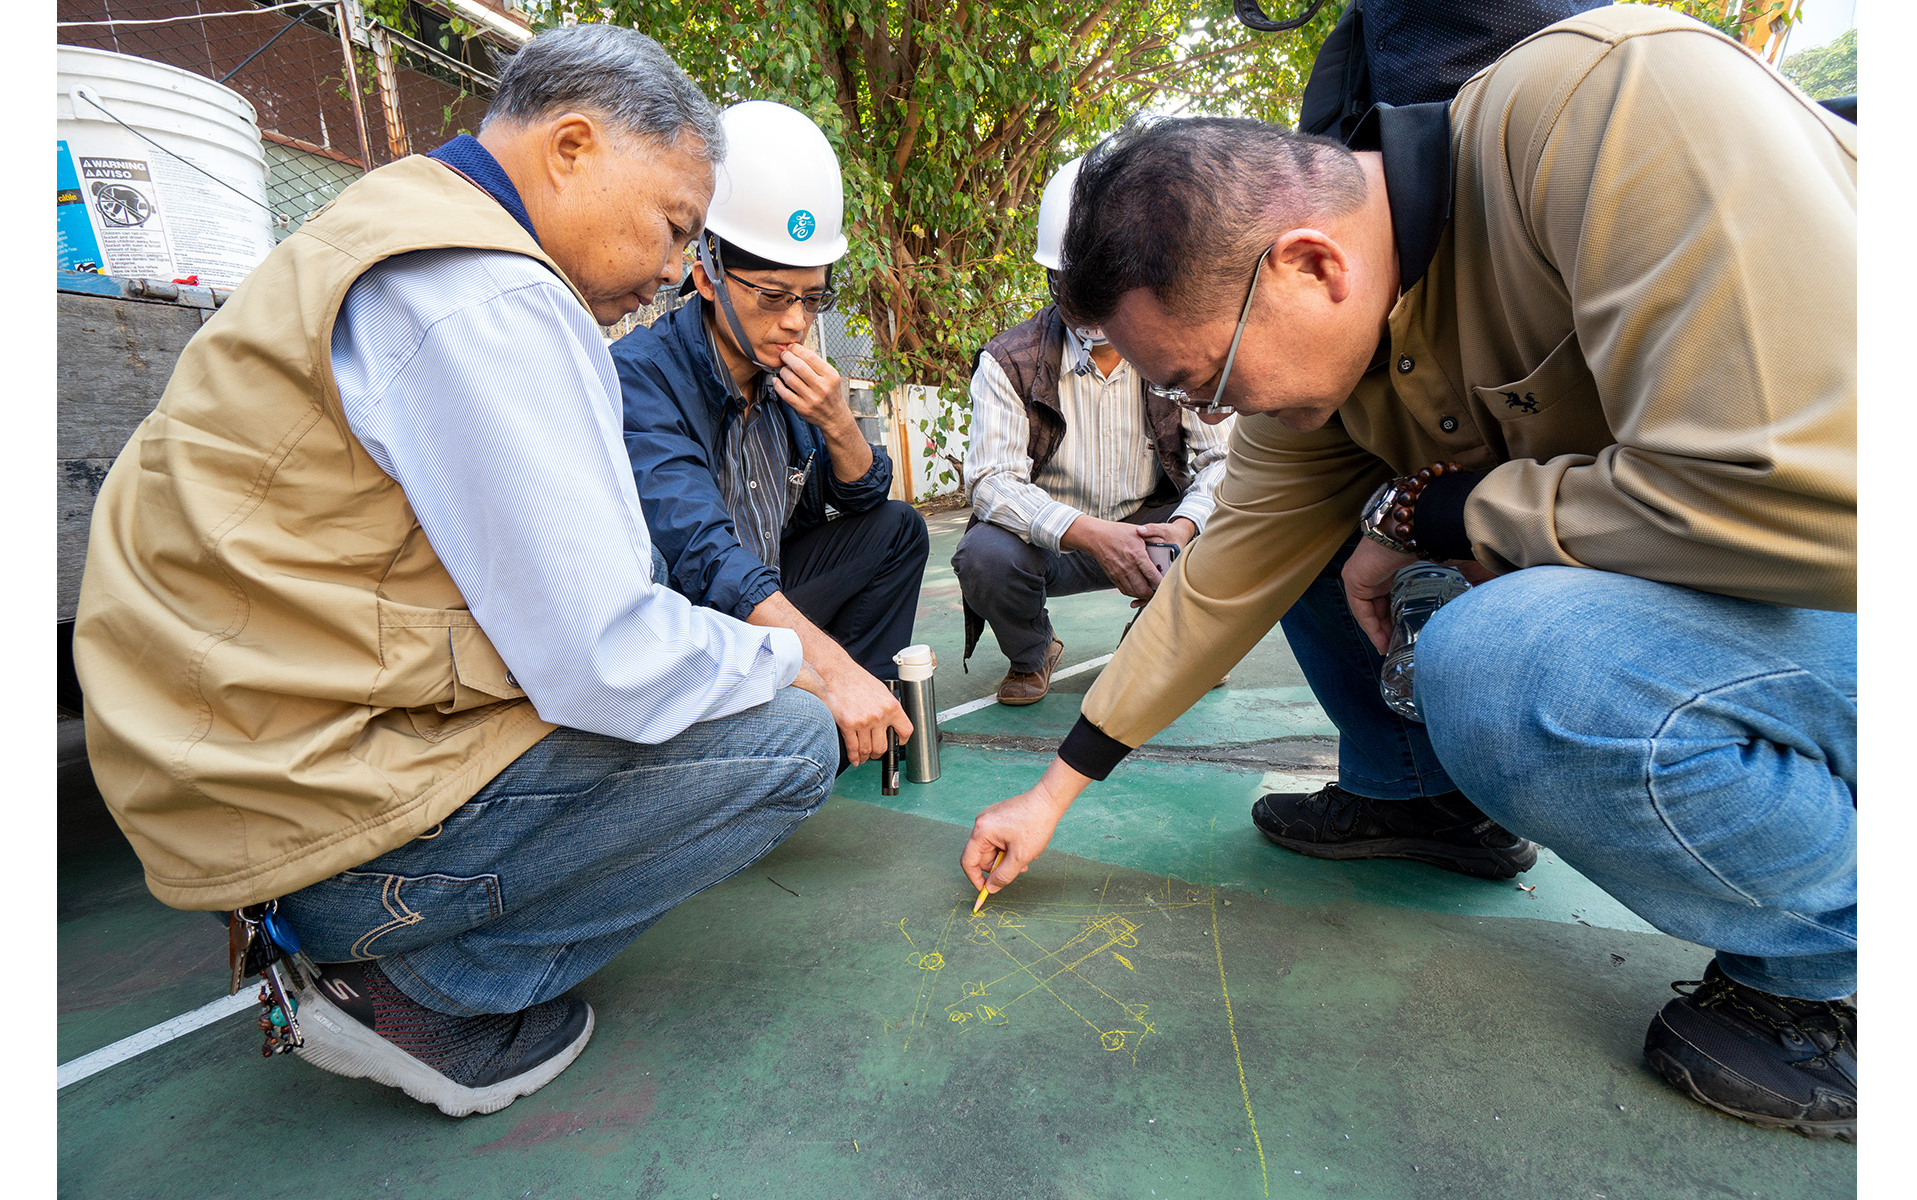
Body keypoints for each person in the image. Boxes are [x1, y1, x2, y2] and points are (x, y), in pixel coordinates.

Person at [960, 6, 1856, 1140]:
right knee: (1337, 547)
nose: (1209, 415)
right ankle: (1418, 801)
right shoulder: (1332, 335)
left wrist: (1464, 512)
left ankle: (1850, 961)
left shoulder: (1618, 107)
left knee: (1509, 661)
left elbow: (1819, 507)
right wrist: (1056, 792)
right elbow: (1229, 571)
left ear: (1309, 262)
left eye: (1204, 380)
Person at [73, 26, 840, 1118]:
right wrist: (792, 663)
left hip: (244, 783)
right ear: (573, 146)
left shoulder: (387, 231)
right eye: (675, 228)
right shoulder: (487, 290)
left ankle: (375, 943)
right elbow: (603, 650)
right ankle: (416, 989)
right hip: (312, 830)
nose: (675, 269)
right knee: (787, 741)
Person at [613, 101, 927, 768]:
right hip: (693, 623)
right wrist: (831, 667)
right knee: (756, 625)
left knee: (900, 530)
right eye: (773, 296)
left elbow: (864, 501)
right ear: (707, 275)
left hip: (768, 596)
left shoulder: (787, 380)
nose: (796, 323)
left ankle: (855, 728)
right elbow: (701, 557)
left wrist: (837, 422)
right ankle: (814, 717)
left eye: (812, 298)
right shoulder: (645, 379)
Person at [953, 156, 1234, 705]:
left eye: (1105, 285)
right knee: (984, 555)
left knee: (1225, 524)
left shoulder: (1178, 345)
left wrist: (1181, 529)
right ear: (1050, 277)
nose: (1090, 305)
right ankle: (1033, 652)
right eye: (1072, 284)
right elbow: (991, 482)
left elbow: (1219, 464)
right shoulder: (1009, 360)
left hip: (1153, 531)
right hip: (1054, 540)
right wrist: (1088, 533)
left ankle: (1159, 637)